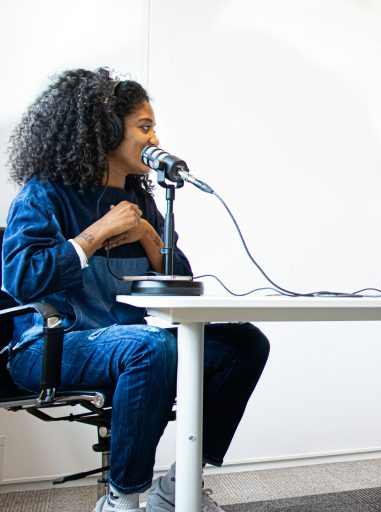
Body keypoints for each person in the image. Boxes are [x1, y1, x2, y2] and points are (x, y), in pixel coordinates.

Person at [1, 68, 270, 512]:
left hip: (130, 342)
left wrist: (147, 233)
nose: (154, 137)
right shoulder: (44, 195)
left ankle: (179, 486)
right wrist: (93, 236)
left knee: (243, 343)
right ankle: (122, 500)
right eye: (144, 127)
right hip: (47, 345)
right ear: (105, 131)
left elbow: (180, 284)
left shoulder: (142, 198)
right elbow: (21, 280)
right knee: (148, 346)